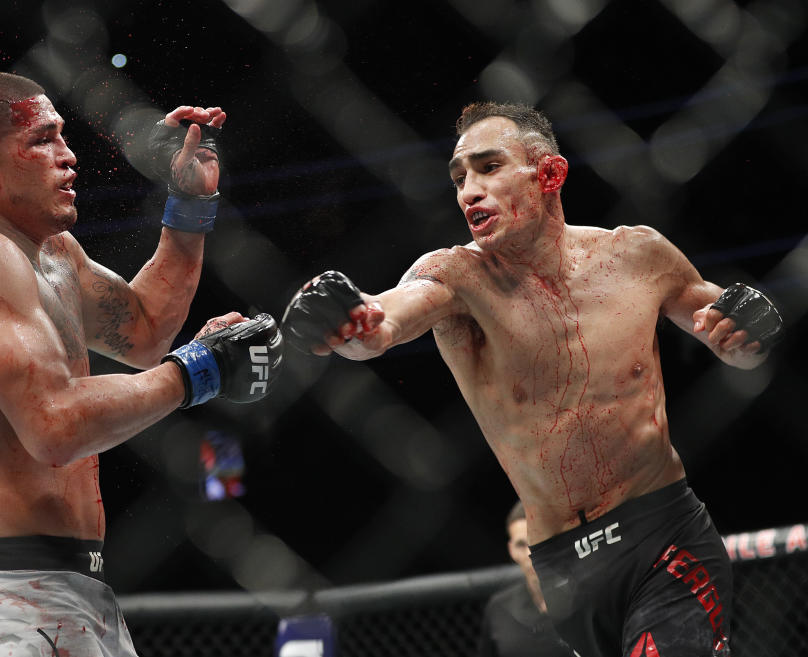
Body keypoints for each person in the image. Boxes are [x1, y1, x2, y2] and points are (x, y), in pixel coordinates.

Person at [281, 101, 783, 656]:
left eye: (488, 167)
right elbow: (384, 323)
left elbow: (735, 340)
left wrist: (749, 335)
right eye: (459, 177)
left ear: (549, 173)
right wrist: (348, 321)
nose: (468, 190)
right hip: (563, 571)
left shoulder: (638, 255)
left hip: (663, 535)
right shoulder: (456, 277)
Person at [0, 72, 282, 657]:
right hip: (11, 597)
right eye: (41, 141)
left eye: (63, 135)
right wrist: (199, 370)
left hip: (79, 588)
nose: (68, 157)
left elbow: (143, 330)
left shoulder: (54, 254)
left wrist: (190, 203)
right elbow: (54, 424)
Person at [477, 500, 572, 657]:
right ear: (512, 550)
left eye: (538, 541)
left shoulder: (586, 601)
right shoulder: (499, 608)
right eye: (521, 545)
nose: (531, 553)